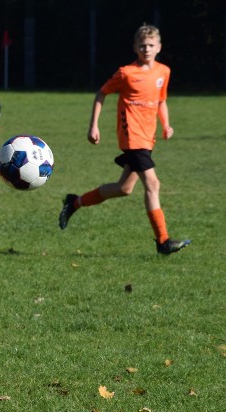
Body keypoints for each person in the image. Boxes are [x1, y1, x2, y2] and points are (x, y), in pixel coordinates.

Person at [59, 24, 190, 255]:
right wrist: (93, 125)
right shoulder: (126, 73)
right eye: (142, 45)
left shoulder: (163, 72)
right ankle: (163, 241)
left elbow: (161, 101)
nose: (146, 49)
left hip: (147, 138)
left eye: (151, 45)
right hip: (132, 137)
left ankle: (75, 202)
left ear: (159, 47)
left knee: (124, 188)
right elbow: (101, 93)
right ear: (135, 47)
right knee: (153, 184)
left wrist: (166, 124)